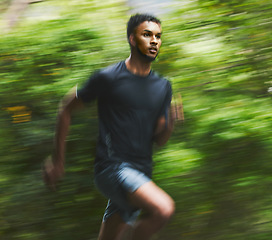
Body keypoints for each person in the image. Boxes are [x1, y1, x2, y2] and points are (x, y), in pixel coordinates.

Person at [43, 13, 184, 240]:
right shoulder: (108, 78)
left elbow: (159, 139)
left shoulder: (163, 87)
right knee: (163, 208)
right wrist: (58, 160)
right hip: (113, 168)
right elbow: (66, 108)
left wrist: (171, 124)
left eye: (158, 36)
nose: (154, 41)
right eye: (147, 35)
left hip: (141, 175)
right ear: (132, 39)